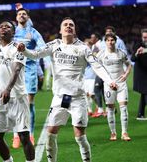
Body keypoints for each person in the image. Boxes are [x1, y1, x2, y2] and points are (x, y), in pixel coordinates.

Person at [17, 17, 117, 162]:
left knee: (80, 136)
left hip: (77, 98)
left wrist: (109, 80)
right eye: (65, 25)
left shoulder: (83, 48)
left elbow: (97, 66)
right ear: (60, 30)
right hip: (62, 99)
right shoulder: (54, 45)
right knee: (51, 134)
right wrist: (24, 50)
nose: (68, 26)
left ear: (74, 30)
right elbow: (36, 54)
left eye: (71, 25)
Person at [0, 0, 35, 161]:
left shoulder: (19, 47)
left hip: (18, 97)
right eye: (1, 27)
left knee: (24, 137)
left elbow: (17, 69)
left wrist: (8, 88)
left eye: (7, 27)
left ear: (13, 32)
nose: (3, 28)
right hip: (2, 98)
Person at [12, 5, 45, 148]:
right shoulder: (12, 32)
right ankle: (16, 135)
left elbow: (42, 47)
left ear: (28, 17)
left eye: (24, 14)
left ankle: (30, 134)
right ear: (16, 17)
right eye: (20, 14)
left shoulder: (33, 32)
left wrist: (31, 52)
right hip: (15, 71)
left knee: (29, 103)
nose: (22, 15)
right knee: (15, 103)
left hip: (30, 69)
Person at [96, 33, 132, 141]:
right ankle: (113, 133)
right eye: (108, 40)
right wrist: (106, 80)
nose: (110, 42)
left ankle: (124, 133)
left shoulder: (121, 53)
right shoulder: (101, 54)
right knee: (110, 109)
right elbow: (97, 67)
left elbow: (129, 64)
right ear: (105, 42)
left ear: (115, 41)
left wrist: (125, 75)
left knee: (124, 108)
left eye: (112, 40)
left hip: (121, 84)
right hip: (109, 85)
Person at [131, 28, 147, 120]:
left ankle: (140, 114)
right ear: (142, 37)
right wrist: (137, 53)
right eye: (144, 37)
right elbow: (133, 59)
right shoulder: (138, 45)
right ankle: (140, 114)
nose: (145, 39)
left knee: (144, 94)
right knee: (146, 93)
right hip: (141, 75)